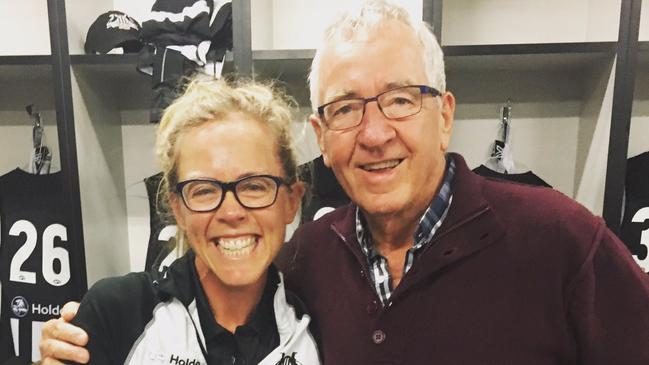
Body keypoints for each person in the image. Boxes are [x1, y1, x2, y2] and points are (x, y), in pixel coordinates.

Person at [40, 1, 649, 364]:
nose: (375, 132)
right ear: (321, 136)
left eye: (401, 99)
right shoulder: (306, 261)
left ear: (446, 114)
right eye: (347, 107)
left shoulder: (562, 241)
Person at [38, 77, 319, 365]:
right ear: (179, 209)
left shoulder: (320, 330)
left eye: (255, 186)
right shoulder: (116, 313)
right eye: (204, 190)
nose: (232, 212)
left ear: (291, 201)